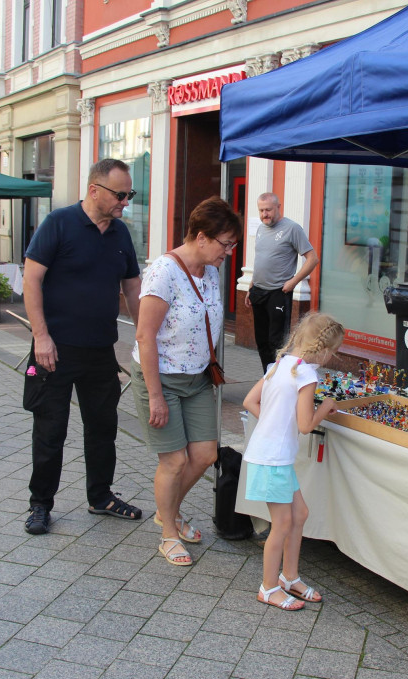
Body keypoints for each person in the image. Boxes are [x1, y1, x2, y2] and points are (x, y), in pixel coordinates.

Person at [22, 158, 143, 535]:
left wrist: (145, 336)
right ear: (94, 191)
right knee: (50, 430)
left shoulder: (121, 233)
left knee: (103, 427)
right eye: (120, 194)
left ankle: (101, 496)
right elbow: (31, 281)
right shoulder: (59, 223)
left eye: (130, 194)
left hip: (100, 351)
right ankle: (40, 504)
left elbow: (133, 289)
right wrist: (41, 337)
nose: (126, 201)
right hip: (55, 350)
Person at [132, 196, 243, 566]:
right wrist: (155, 396)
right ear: (200, 237)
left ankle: (170, 511)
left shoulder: (210, 271)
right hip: (161, 378)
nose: (228, 252)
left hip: (197, 377)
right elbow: (145, 335)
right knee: (175, 461)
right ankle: (167, 534)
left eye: (232, 245)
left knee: (205, 455)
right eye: (224, 244)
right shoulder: (163, 272)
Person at [241, 312, 344, 609]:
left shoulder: (280, 364)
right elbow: (305, 425)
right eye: (333, 352)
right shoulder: (307, 375)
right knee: (283, 522)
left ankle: (289, 576)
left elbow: (250, 401)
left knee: (299, 515)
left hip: (270, 455)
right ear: (323, 350)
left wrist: (274, 423)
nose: (332, 357)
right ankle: (269, 587)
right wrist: (325, 407)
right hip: (273, 458)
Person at [245, 192, 319, 372]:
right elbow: (261, 259)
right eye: (261, 210)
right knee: (261, 341)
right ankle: (267, 378)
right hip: (258, 291)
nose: (264, 214)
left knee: (277, 342)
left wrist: (293, 282)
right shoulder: (261, 229)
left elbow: (312, 259)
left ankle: (280, 379)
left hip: (279, 292)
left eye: (268, 210)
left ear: (278, 207)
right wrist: (251, 286)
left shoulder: (292, 229)